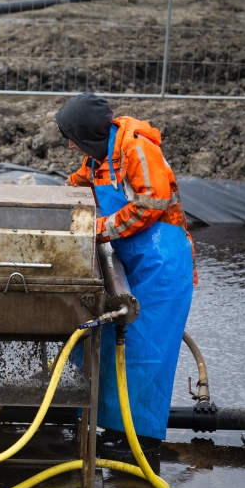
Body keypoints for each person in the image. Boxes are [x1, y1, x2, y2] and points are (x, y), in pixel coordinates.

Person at [55, 92, 196, 463]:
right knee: (114, 345)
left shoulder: (136, 150)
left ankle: (141, 444)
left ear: (87, 133)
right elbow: (76, 188)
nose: (70, 145)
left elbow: (152, 204)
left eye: (72, 137)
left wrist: (97, 228)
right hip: (133, 259)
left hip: (162, 264)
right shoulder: (99, 159)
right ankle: (117, 432)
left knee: (145, 352)